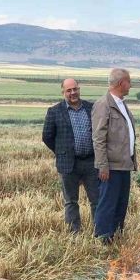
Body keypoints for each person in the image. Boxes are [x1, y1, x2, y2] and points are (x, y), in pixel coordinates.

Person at [42, 78, 99, 233]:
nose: (73, 93)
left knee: (97, 200)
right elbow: (47, 137)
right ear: (63, 93)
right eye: (69, 90)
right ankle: (74, 233)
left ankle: (99, 231)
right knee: (71, 201)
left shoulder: (91, 108)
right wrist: (62, 152)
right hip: (68, 163)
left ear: (79, 89)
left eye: (75, 89)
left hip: (91, 162)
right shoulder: (54, 111)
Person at [92, 68, 137, 243]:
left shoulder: (121, 103)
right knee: (107, 204)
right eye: (129, 81)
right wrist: (103, 166)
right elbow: (98, 138)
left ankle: (117, 236)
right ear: (121, 83)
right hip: (111, 166)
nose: (130, 85)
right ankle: (103, 238)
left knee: (121, 203)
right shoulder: (103, 104)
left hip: (124, 164)